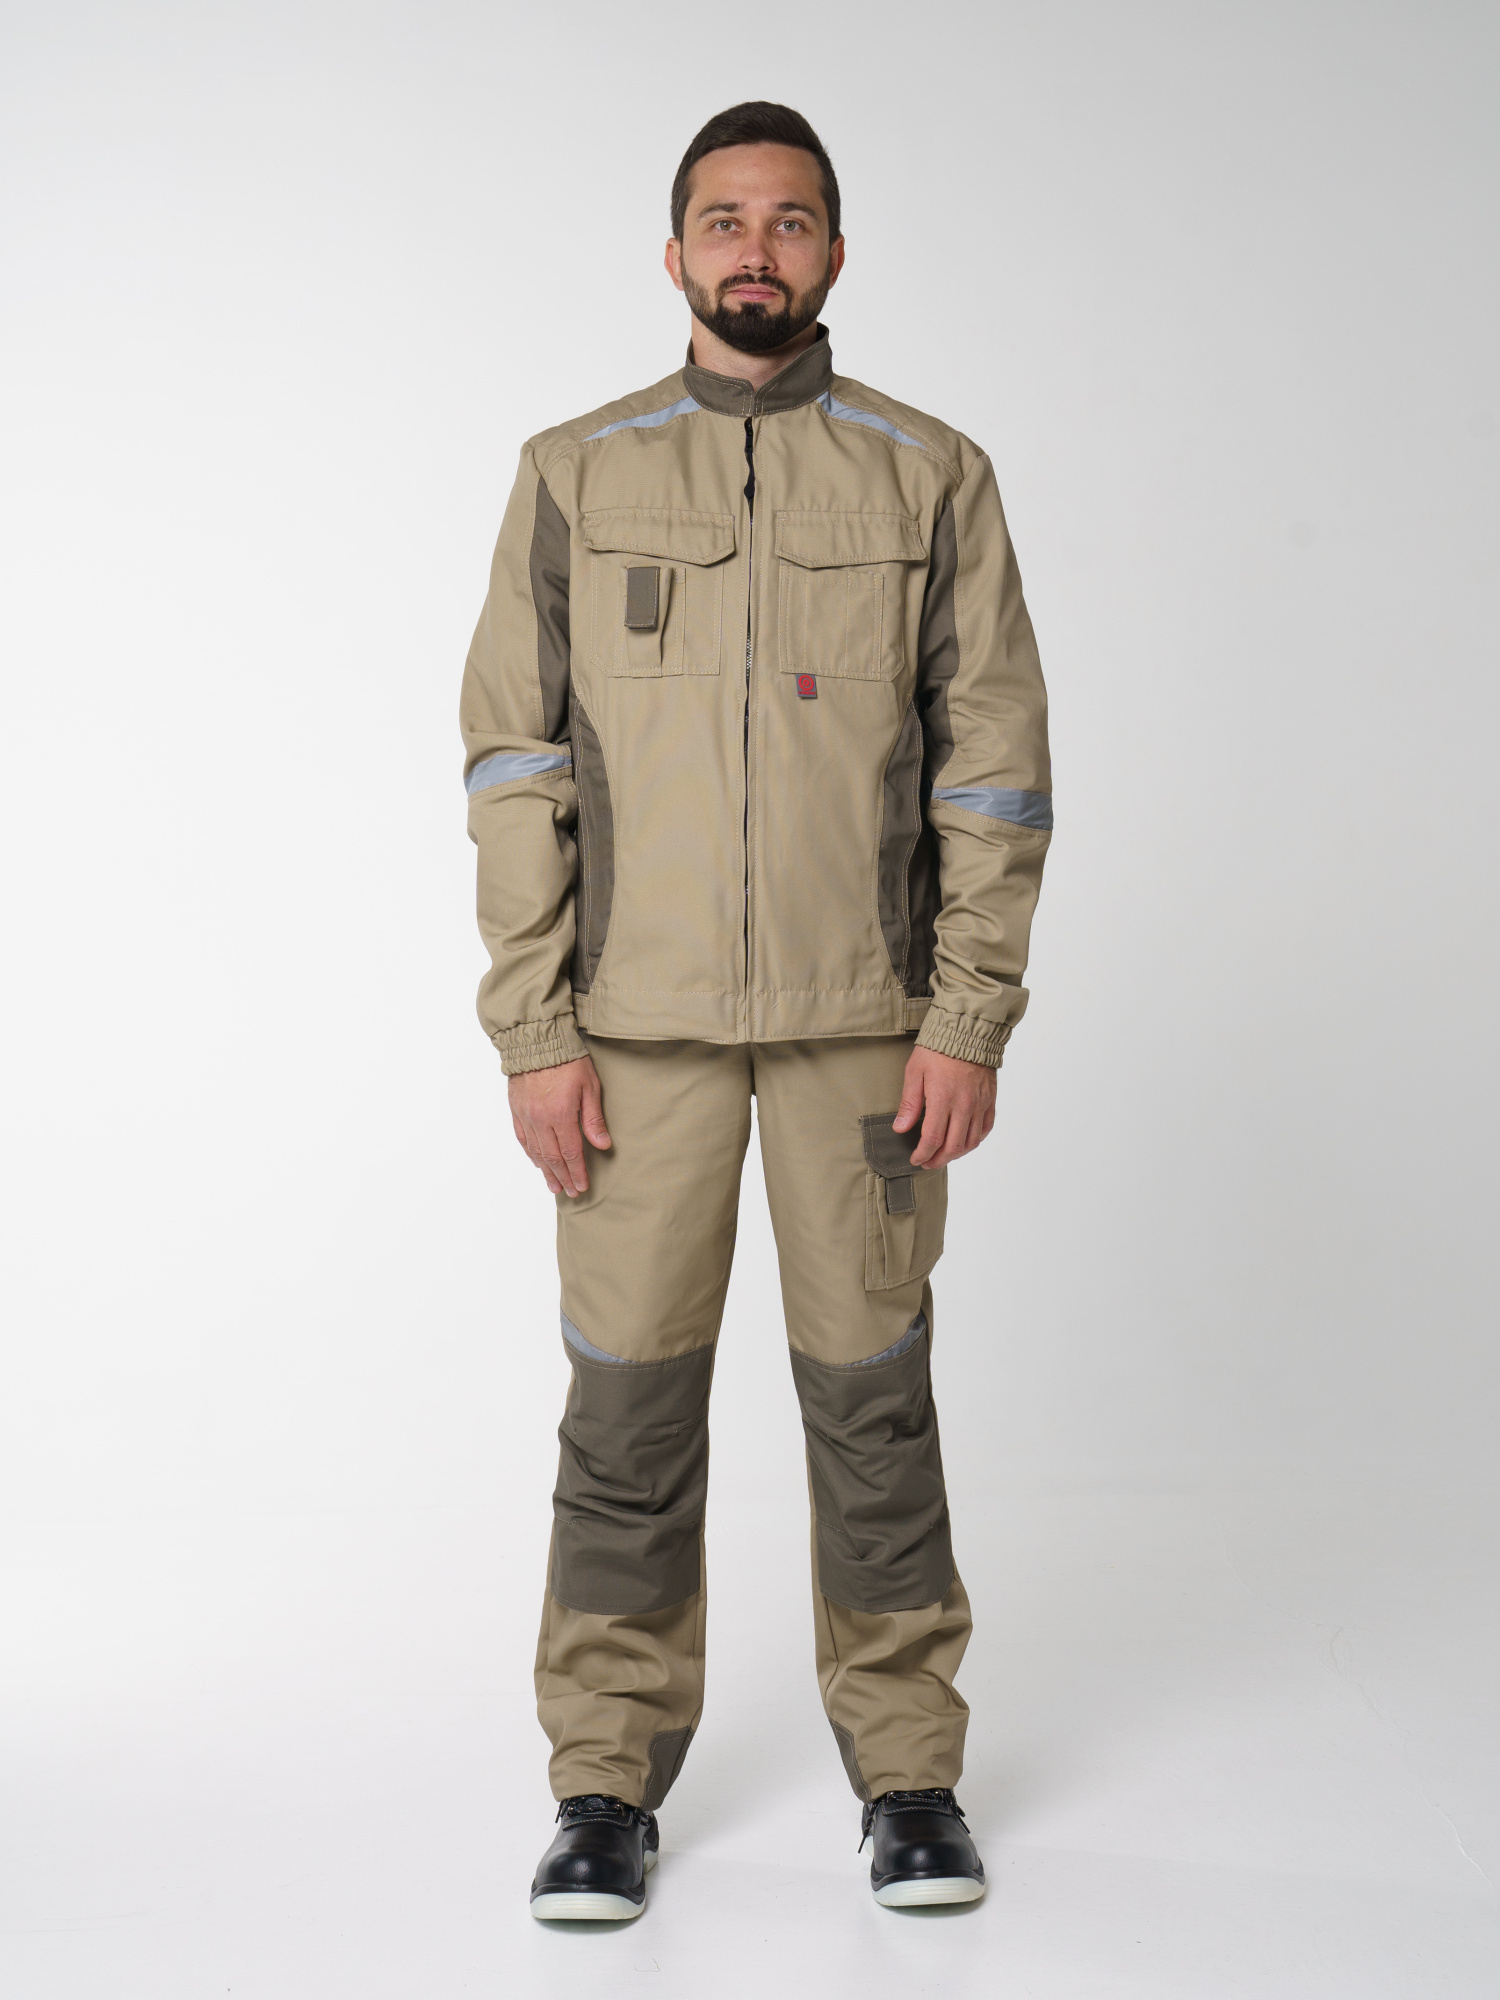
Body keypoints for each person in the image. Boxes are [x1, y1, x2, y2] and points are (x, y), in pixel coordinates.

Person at [460, 100, 1051, 1919]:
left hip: (864, 1028)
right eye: (724, 219)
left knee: (873, 1404)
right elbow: (512, 762)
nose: (755, 249)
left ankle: (912, 1771)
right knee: (626, 1414)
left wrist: (965, 1017)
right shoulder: (574, 472)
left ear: (835, 254)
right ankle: (603, 1783)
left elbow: (994, 767)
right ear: (673, 254)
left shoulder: (931, 476)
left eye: (790, 221)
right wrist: (535, 1033)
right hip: (631, 1038)